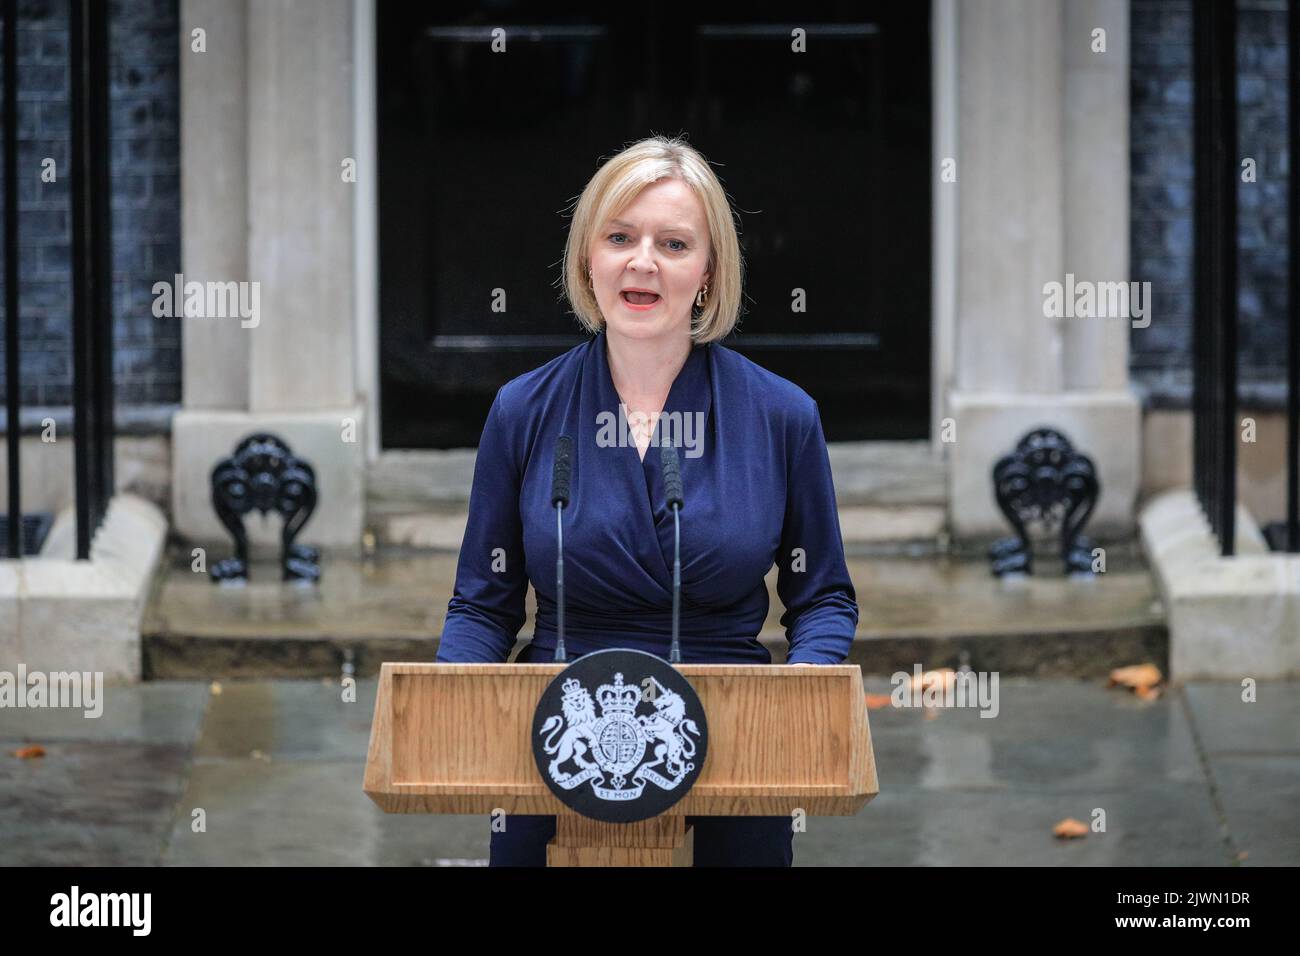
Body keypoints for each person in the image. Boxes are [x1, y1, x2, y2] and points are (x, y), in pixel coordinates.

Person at [435, 134, 859, 866]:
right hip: (555, 741)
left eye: (673, 243)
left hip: (736, 747)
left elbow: (823, 598)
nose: (642, 263)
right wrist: (443, 702)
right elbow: (483, 603)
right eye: (621, 237)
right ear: (586, 259)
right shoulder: (522, 410)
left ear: (707, 273)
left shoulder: (783, 416)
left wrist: (801, 698)